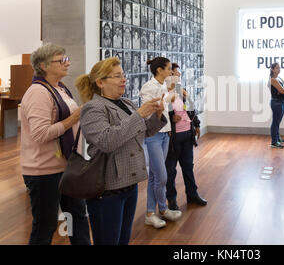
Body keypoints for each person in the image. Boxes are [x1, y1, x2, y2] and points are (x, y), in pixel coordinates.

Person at [75, 57, 167, 245]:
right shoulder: (93, 108)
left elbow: (145, 131)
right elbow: (107, 140)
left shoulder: (126, 102)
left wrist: (157, 116)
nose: (123, 79)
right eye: (117, 76)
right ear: (100, 82)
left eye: (123, 75)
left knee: (123, 239)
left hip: (129, 183)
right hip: (107, 188)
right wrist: (139, 114)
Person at [20, 43, 90, 245]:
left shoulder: (59, 88)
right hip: (44, 171)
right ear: (43, 65)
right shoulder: (38, 93)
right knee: (46, 226)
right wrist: (74, 118)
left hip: (65, 166)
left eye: (66, 59)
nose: (67, 64)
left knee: (77, 217)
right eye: (62, 61)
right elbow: (41, 134)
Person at [140, 57, 182, 229]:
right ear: (159, 70)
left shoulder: (164, 86)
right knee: (162, 177)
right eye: (168, 68)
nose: (171, 72)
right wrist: (167, 96)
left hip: (165, 133)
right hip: (153, 135)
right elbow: (150, 109)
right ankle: (163, 208)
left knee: (155, 177)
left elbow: (168, 106)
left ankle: (152, 213)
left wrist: (170, 95)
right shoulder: (148, 87)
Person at [165, 63, 206, 210]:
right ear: (169, 75)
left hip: (187, 135)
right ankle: (172, 200)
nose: (179, 75)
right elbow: (159, 116)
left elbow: (190, 109)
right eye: (176, 73)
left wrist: (196, 124)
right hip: (172, 139)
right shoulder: (163, 93)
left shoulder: (180, 90)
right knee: (170, 171)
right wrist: (170, 119)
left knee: (188, 167)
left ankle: (192, 195)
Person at [269, 63, 284, 149]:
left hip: (281, 102)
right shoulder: (273, 79)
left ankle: (277, 138)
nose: (279, 69)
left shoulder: (279, 78)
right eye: (277, 68)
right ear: (272, 69)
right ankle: (274, 142)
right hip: (276, 103)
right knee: (275, 122)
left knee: (278, 122)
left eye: (279, 68)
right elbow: (282, 91)